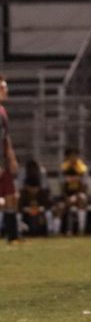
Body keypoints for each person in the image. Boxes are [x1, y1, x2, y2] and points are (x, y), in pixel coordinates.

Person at [0, 76, 21, 244]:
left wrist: (11, 158)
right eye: (2, 88)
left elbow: (6, 138)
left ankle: (12, 236)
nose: (6, 91)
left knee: (11, 197)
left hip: (3, 161)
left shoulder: (3, 111)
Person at [59, 147, 89, 235]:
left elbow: (85, 186)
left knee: (81, 199)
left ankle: (81, 229)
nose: (74, 158)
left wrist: (76, 196)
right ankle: (55, 231)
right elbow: (61, 186)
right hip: (66, 196)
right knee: (59, 207)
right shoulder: (63, 169)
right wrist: (66, 198)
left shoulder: (83, 169)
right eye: (71, 156)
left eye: (76, 155)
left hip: (79, 195)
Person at [18, 159, 51, 236]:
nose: (33, 190)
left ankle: (50, 230)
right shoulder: (24, 195)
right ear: (27, 187)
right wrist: (27, 209)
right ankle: (19, 230)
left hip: (40, 214)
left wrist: (39, 209)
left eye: (34, 188)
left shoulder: (42, 195)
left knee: (47, 215)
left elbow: (47, 205)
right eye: (31, 188)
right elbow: (19, 207)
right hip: (26, 214)